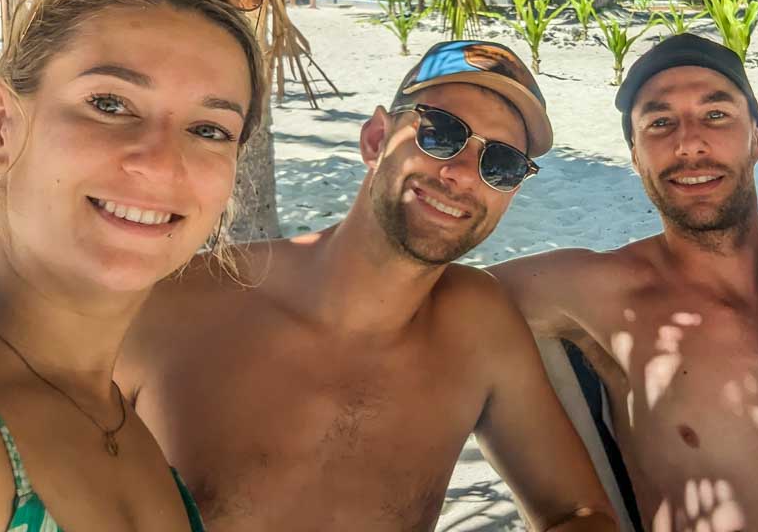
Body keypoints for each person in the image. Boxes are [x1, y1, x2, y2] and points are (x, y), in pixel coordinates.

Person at [116, 40, 617, 531]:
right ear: (376, 139)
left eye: (501, 163)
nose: (462, 174)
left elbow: (580, 514)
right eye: (440, 134)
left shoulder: (478, 325)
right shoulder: (174, 306)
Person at [0, 0, 268, 531]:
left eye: (210, 129)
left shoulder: (108, 406)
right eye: (109, 103)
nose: (161, 163)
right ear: (0, 127)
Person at [493, 34, 758, 532]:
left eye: (716, 115)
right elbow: (420, 295)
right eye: (660, 123)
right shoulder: (603, 289)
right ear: (636, 156)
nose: (689, 143)